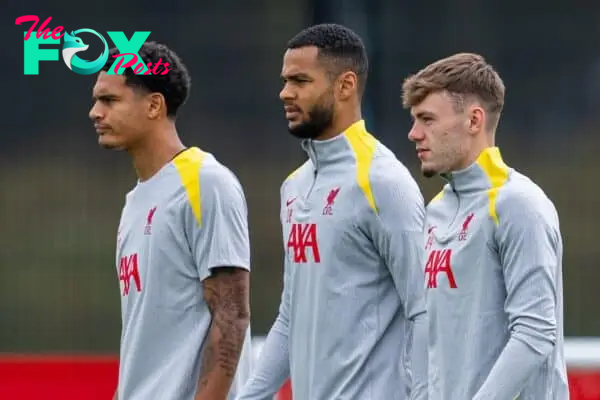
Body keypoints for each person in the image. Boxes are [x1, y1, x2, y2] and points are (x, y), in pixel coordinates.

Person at [237, 23, 428, 400]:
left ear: (345, 85)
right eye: (285, 80)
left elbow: (423, 312)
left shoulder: (383, 182)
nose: (285, 93)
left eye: (300, 81)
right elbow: (291, 318)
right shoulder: (294, 187)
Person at [89, 42, 253, 400]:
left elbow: (232, 315)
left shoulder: (205, 182)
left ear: (154, 105)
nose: (95, 112)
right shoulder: (135, 200)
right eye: (97, 100)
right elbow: (143, 338)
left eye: (110, 100)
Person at [402, 52, 569, 399]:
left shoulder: (519, 204)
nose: (414, 133)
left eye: (427, 119)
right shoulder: (436, 211)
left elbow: (535, 333)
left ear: (474, 120)